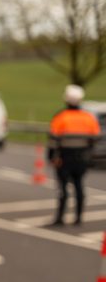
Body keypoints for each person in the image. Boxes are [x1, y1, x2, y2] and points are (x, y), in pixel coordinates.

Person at [48, 84, 102, 226]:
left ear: (66, 100)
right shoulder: (88, 118)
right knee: (79, 186)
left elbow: (53, 140)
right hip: (81, 158)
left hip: (64, 157)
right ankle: (78, 217)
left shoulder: (61, 117)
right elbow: (95, 138)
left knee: (63, 188)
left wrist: (52, 157)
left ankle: (60, 217)